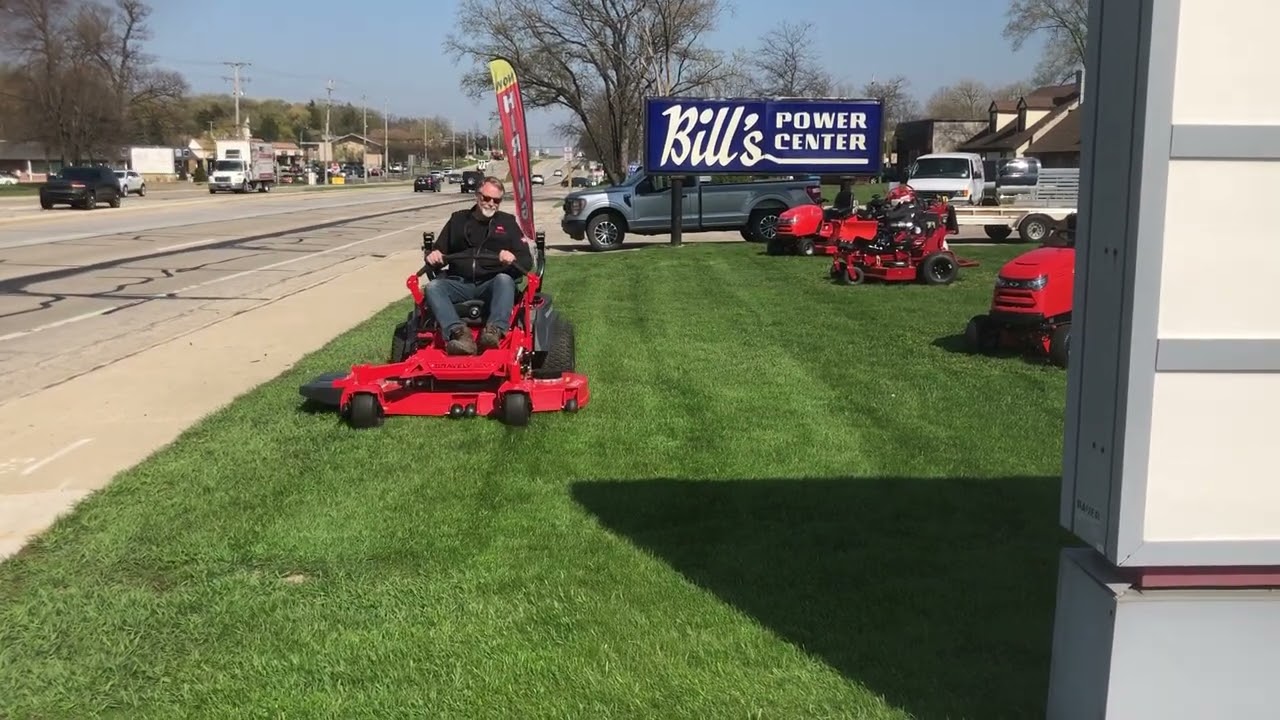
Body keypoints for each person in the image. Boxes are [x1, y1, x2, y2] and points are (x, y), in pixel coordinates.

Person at [423, 176, 534, 355]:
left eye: (496, 200)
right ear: (477, 195)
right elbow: (437, 253)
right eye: (486, 198)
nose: (491, 203)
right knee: (433, 287)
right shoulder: (457, 220)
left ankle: (493, 332)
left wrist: (512, 258)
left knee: (505, 280)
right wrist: (433, 256)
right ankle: (459, 334)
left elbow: (526, 261)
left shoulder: (507, 223)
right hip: (460, 282)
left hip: (492, 284)